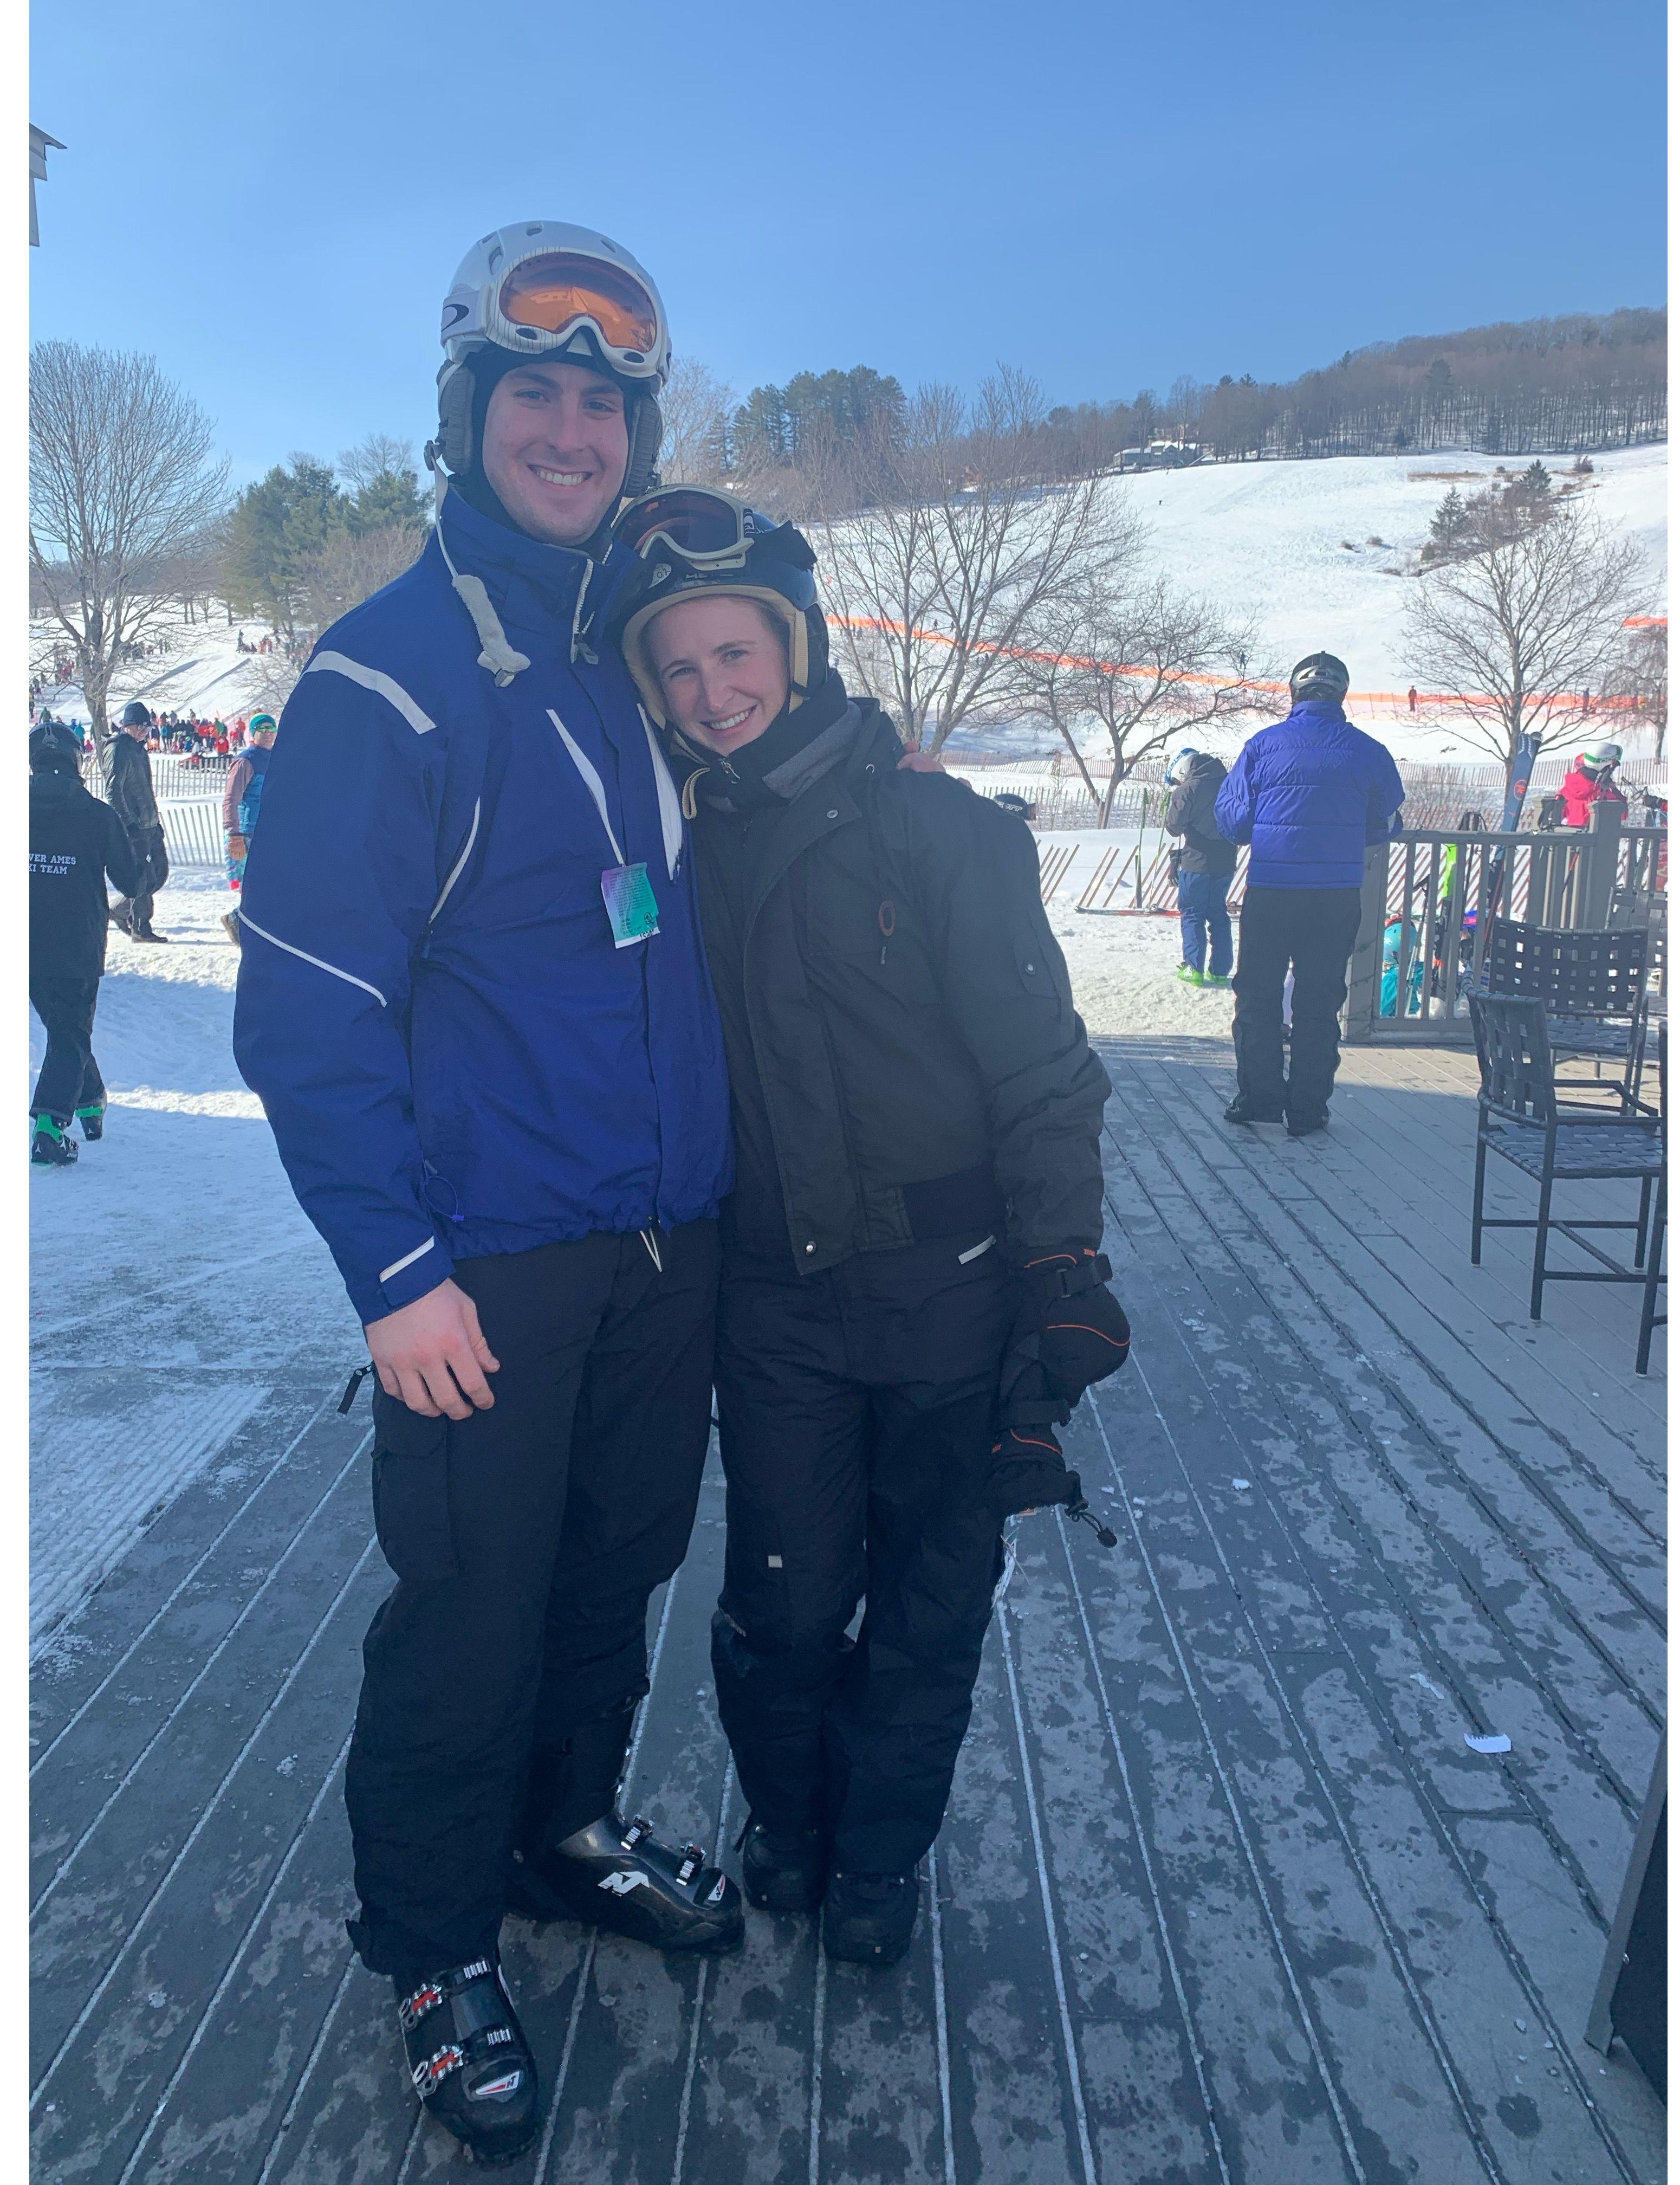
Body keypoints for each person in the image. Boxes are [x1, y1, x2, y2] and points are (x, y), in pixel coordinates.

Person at [232, 223, 737, 2169]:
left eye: (602, 397)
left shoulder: (633, 656)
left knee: (607, 1583)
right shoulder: (389, 675)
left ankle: (559, 1828)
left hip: (653, 1247)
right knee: (467, 1614)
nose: (570, 423)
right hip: (485, 1272)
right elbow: (311, 1007)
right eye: (533, 387)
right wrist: (395, 1270)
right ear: (467, 410)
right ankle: (436, 1946)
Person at [606, 487, 1126, 1971]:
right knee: (780, 1603)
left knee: (928, 1598)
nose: (713, 694)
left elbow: (1042, 1071)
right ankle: (791, 1820)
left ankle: (881, 1858)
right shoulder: (670, 845)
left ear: (798, 642)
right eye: (680, 670)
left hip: (949, 1295)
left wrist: (1061, 1267)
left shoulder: (940, 832)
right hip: (773, 1304)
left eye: (736, 653)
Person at [1214, 652, 1405, 1137]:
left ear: (1294, 694)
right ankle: (1308, 1110)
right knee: (1319, 1003)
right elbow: (1384, 821)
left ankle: (1258, 1098)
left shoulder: (1262, 746)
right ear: (1341, 695)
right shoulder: (1368, 751)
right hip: (1336, 894)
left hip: (1272, 892)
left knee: (1257, 999)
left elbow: (1234, 823)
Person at [29, 720, 142, 1164]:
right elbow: (131, 881)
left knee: (65, 1031)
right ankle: (50, 1124)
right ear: (76, 761)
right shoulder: (97, 815)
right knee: (71, 1032)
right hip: (77, 942)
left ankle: (91, 1100)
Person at [1162, 746, 1235, 987]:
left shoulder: (1188, 790)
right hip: (1225, 860)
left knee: (1193, 913)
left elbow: (1174, 827)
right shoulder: (1230, 782)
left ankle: (1193, 968)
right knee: (1218, 913)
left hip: (1197, 861)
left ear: (1182, 770)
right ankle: (1220, 971)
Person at [103, 701, 170, 942]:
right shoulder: (118, 749)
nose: (144, 731)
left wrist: (155, 821)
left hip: (149, 824)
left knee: (159, 874)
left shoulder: (139, 750)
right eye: (140, 726)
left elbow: (145, 790)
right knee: (143, 876)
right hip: (133, 826)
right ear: (128, 725)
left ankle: (119, 909)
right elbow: (113, 792)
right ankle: (141, 928)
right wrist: (128, 824)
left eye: (147, 727)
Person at [218, 711, 277, 944]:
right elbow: (231, 799)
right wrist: (234, 834)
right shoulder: (246, 761)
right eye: (262, 729)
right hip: (246, 833)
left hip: (269, 832)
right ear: (252, 734)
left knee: (270, 883)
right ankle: (238, 921)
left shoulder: (275, 757)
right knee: (254, 887)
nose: (268, 734)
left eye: (271, 729)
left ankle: (252, 926)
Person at [1558, 741, 1627, 828]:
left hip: (1568, 837)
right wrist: (1615, 791)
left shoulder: (1568, 788)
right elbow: (1621, 813)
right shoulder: (1601, 793)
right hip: (1594, 839)